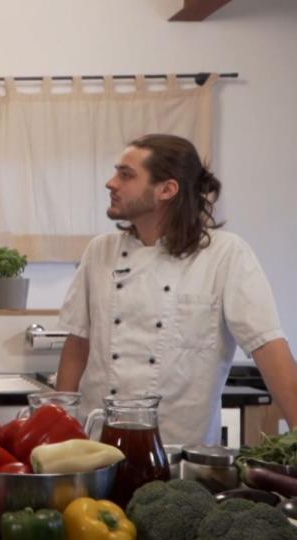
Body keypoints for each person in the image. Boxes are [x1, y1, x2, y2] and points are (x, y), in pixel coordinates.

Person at [56, 133, 297, 446]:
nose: (111, 183)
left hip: (180, 453)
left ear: (167, 190)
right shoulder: (100, 251)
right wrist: (59, 428)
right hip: (96, 448)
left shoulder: (226, 255)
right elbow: (77, 344)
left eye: (126, 175)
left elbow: (269, 349)